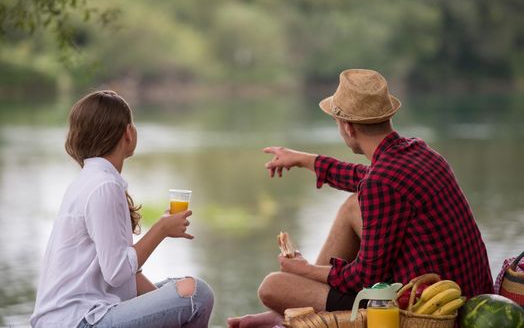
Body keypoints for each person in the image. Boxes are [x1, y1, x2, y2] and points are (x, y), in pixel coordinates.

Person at [227, 69, 493, 328]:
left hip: (428, 310)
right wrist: (304, 160)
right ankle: (298, 305)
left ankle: (297, 305)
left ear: (348, 127)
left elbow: (365, 277)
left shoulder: (381, 182)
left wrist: (303, 269)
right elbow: (365, 177)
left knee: (273, 286)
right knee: (353, 206)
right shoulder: (421, 152)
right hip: (472, 295)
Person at [31, 90, 214, 328]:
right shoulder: (103, 186)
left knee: (184, 290)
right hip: (77, 321)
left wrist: (166, 308)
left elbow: (126, 276)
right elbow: (117, 272)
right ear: (128, 133)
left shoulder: (91, 179)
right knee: (197, 295)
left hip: (84, 315)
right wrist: (160, 229)